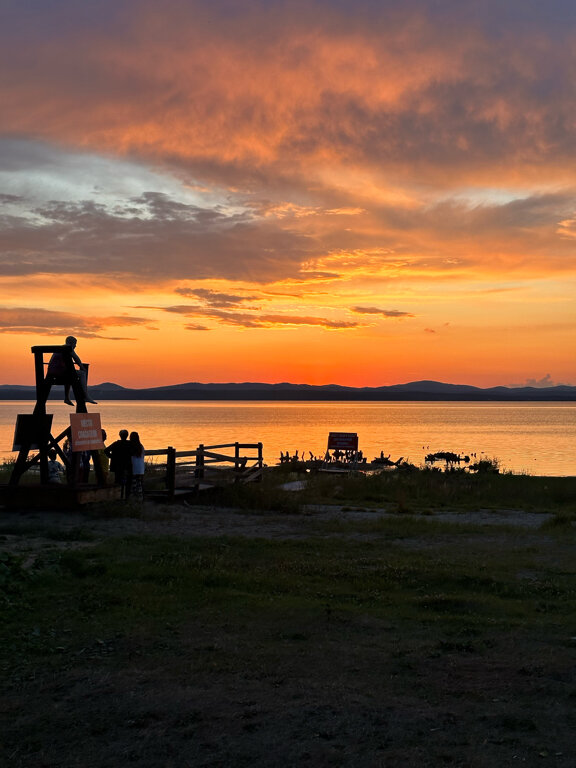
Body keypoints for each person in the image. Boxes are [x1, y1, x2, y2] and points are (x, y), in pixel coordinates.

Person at [47, 335, 97, 405]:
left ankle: (66, 398)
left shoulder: (59, 348)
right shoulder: (68, 348)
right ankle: (86, 396)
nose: (75, 346)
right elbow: (76, 359)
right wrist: (82, 368)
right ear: (71, 343)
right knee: (82, 374)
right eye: (75, 344)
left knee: (69, 376)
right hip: (60, 372)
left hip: (52, 372)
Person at [104, 429, 133, 498]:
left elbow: (106, 450)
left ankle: (117, 496)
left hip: (117, 466)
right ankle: (126, 497)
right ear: (127, 436)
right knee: (128, 482)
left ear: (120, 436)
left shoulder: (116, 444)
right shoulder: (130, 444)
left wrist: (112, 457)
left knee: (117, 481)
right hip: (127, 466)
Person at [129, 431, 145, 501]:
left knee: (133, 482)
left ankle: (133, 497)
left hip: (134, 467)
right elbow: (143, 456)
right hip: (140, 467)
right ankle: (140, 497)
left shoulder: (130, 446)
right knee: (139, 483)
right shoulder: (141, 446)